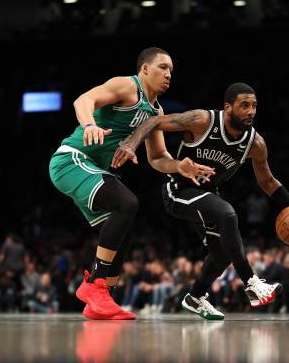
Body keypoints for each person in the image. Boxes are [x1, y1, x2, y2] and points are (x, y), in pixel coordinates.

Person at [49, 46, 214, 321]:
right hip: (70, 160)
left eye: (172, 70)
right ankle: (94, 286)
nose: (169, 74)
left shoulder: (155, 111)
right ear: (145, 69)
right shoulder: (127, 86)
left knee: (124, 232)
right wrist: (90, 126)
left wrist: (179, 165)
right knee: (127, 203)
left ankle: (101, 301)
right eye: (163, 67)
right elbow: (83, 101)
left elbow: (158, 158)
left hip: (91, 169)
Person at [112, 82, 289, 320]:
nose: (251, 111)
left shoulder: (256, 144)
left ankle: (195, 297)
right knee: (228, 213)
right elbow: (154, 122)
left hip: (207, 196)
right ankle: (252, 283)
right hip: (178, 190)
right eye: (244, 105)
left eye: (254, 106)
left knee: (221, 254)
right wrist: (131, 143)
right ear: (228, 108)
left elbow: (269, 181)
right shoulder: (202, 121)